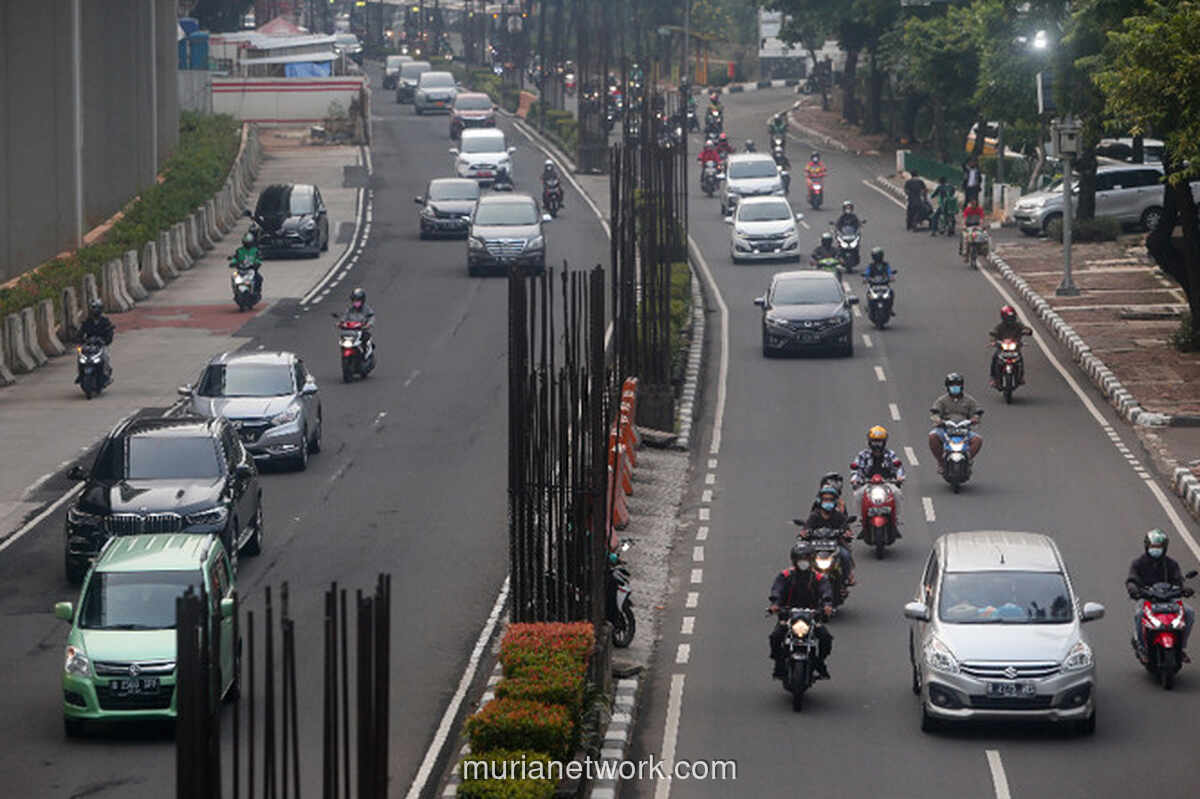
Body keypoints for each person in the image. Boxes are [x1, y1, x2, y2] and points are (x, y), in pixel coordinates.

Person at [769, 540, 834, 679]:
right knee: (775, 636)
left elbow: (826, 590)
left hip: (812, 615)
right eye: (800, 560)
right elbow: (777, 589)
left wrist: (827, 605)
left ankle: (819, 662)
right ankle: (779, 663)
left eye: (805, 559)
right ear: (794, 560)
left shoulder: (818, 577)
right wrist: (775, 604)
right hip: (788, 615)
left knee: (825, 637)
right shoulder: (786, 575)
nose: (802, 562)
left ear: (811, 560)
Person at [1127, 529, 1194, 662]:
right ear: (1147, 546)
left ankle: (1181, 648)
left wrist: (1184, 589)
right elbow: (1132, 579)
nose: (1155, 550)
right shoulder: (1138, 563)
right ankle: (1142, 647)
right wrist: (1133, 589)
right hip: (1147, 598)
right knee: (1140, 615)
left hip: (1169, 598)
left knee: (1189, 612)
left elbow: (1178, 580)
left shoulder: (1171, 564)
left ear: (1164, 548)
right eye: (1153, 547)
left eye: (1159, 547)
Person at [850, 425, 905, 532]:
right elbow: (856, 469)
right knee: (857, 495)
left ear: (884, 442)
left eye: (879, 442)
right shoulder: (863, 455)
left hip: (887, 482)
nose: (877, 445)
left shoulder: (890, 454)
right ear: (869, 442)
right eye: (874, 442)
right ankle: (860, 519)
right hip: (868, 482)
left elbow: (899, 467)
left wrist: (899, 477)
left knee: (897, 493)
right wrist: (855, 479)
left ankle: (896, 518)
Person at [928, 372, 984, 473]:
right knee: (932, 437)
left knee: (978, 440)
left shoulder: (969, 400)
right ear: (948, 387)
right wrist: (940, 421)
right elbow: (934, 413)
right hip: (946, 430)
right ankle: (941, 462)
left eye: (957, 385)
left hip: (964, 430)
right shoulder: (942, 401)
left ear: (961, 386)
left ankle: (968, 460)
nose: (955, 387)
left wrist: (974, 419)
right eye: (952, 385)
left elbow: (977, 412)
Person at [803, 484, 855, 586]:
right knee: (802, 556)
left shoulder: (839, 516)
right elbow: (806, 528)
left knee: (845, 555)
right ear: (820, 501)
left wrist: (847, 534)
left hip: (835, 545)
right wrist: (804, 533)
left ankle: (848, 577)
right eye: (825, 499)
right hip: (816, 546)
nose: (828, 502)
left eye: (830, 500)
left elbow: (847, 529)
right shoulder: (814, 516)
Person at [988, 305, 1033, 386]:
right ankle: (993, 378)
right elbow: (993, 333)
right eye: (1008, 317)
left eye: (1011, 317)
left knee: (1020, 359)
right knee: (995, 357)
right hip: (1002, 348)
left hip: (1015, 348)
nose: (1010, 319)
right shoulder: (1000, 327)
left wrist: (1027, 331)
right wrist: (993, 341)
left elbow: (1027, 329)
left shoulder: (1018, 325)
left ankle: (1020, 377)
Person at [78, 298, 114, 385]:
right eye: (93, 308)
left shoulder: (105, 321)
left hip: (100, 345)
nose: (95, 310)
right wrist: (79, 338)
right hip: (89, 345)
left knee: (105, 357)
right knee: (80, 356)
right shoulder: (87, 321)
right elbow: (81, 332)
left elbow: (109, 333)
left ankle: (106, 375)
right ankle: (81, 374)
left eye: (97, 308)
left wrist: (106, 340)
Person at [229, 231, 264, 296]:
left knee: (259, 278)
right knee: (234, 276)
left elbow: (258, 258)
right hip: (241, 270)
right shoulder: (239, 250)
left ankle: (257, 292)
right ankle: (236, 292)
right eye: (246, 243)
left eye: (249, 243)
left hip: (252, 270)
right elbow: (235, 258)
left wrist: (257, 263)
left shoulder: (255, 250)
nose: (247, 245)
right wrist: (233, 263)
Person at [342, 287, 375, 352]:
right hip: (351, 332)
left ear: (362, 301)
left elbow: (371, 317)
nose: (356, 303)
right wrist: (341, 323)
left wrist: (368, 324)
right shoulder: (350, 310)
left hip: (361, 330)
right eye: (354, 301)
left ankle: (365, 354)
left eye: (358, 301)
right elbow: (345, 317)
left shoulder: (367, 309)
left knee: (366, 338)